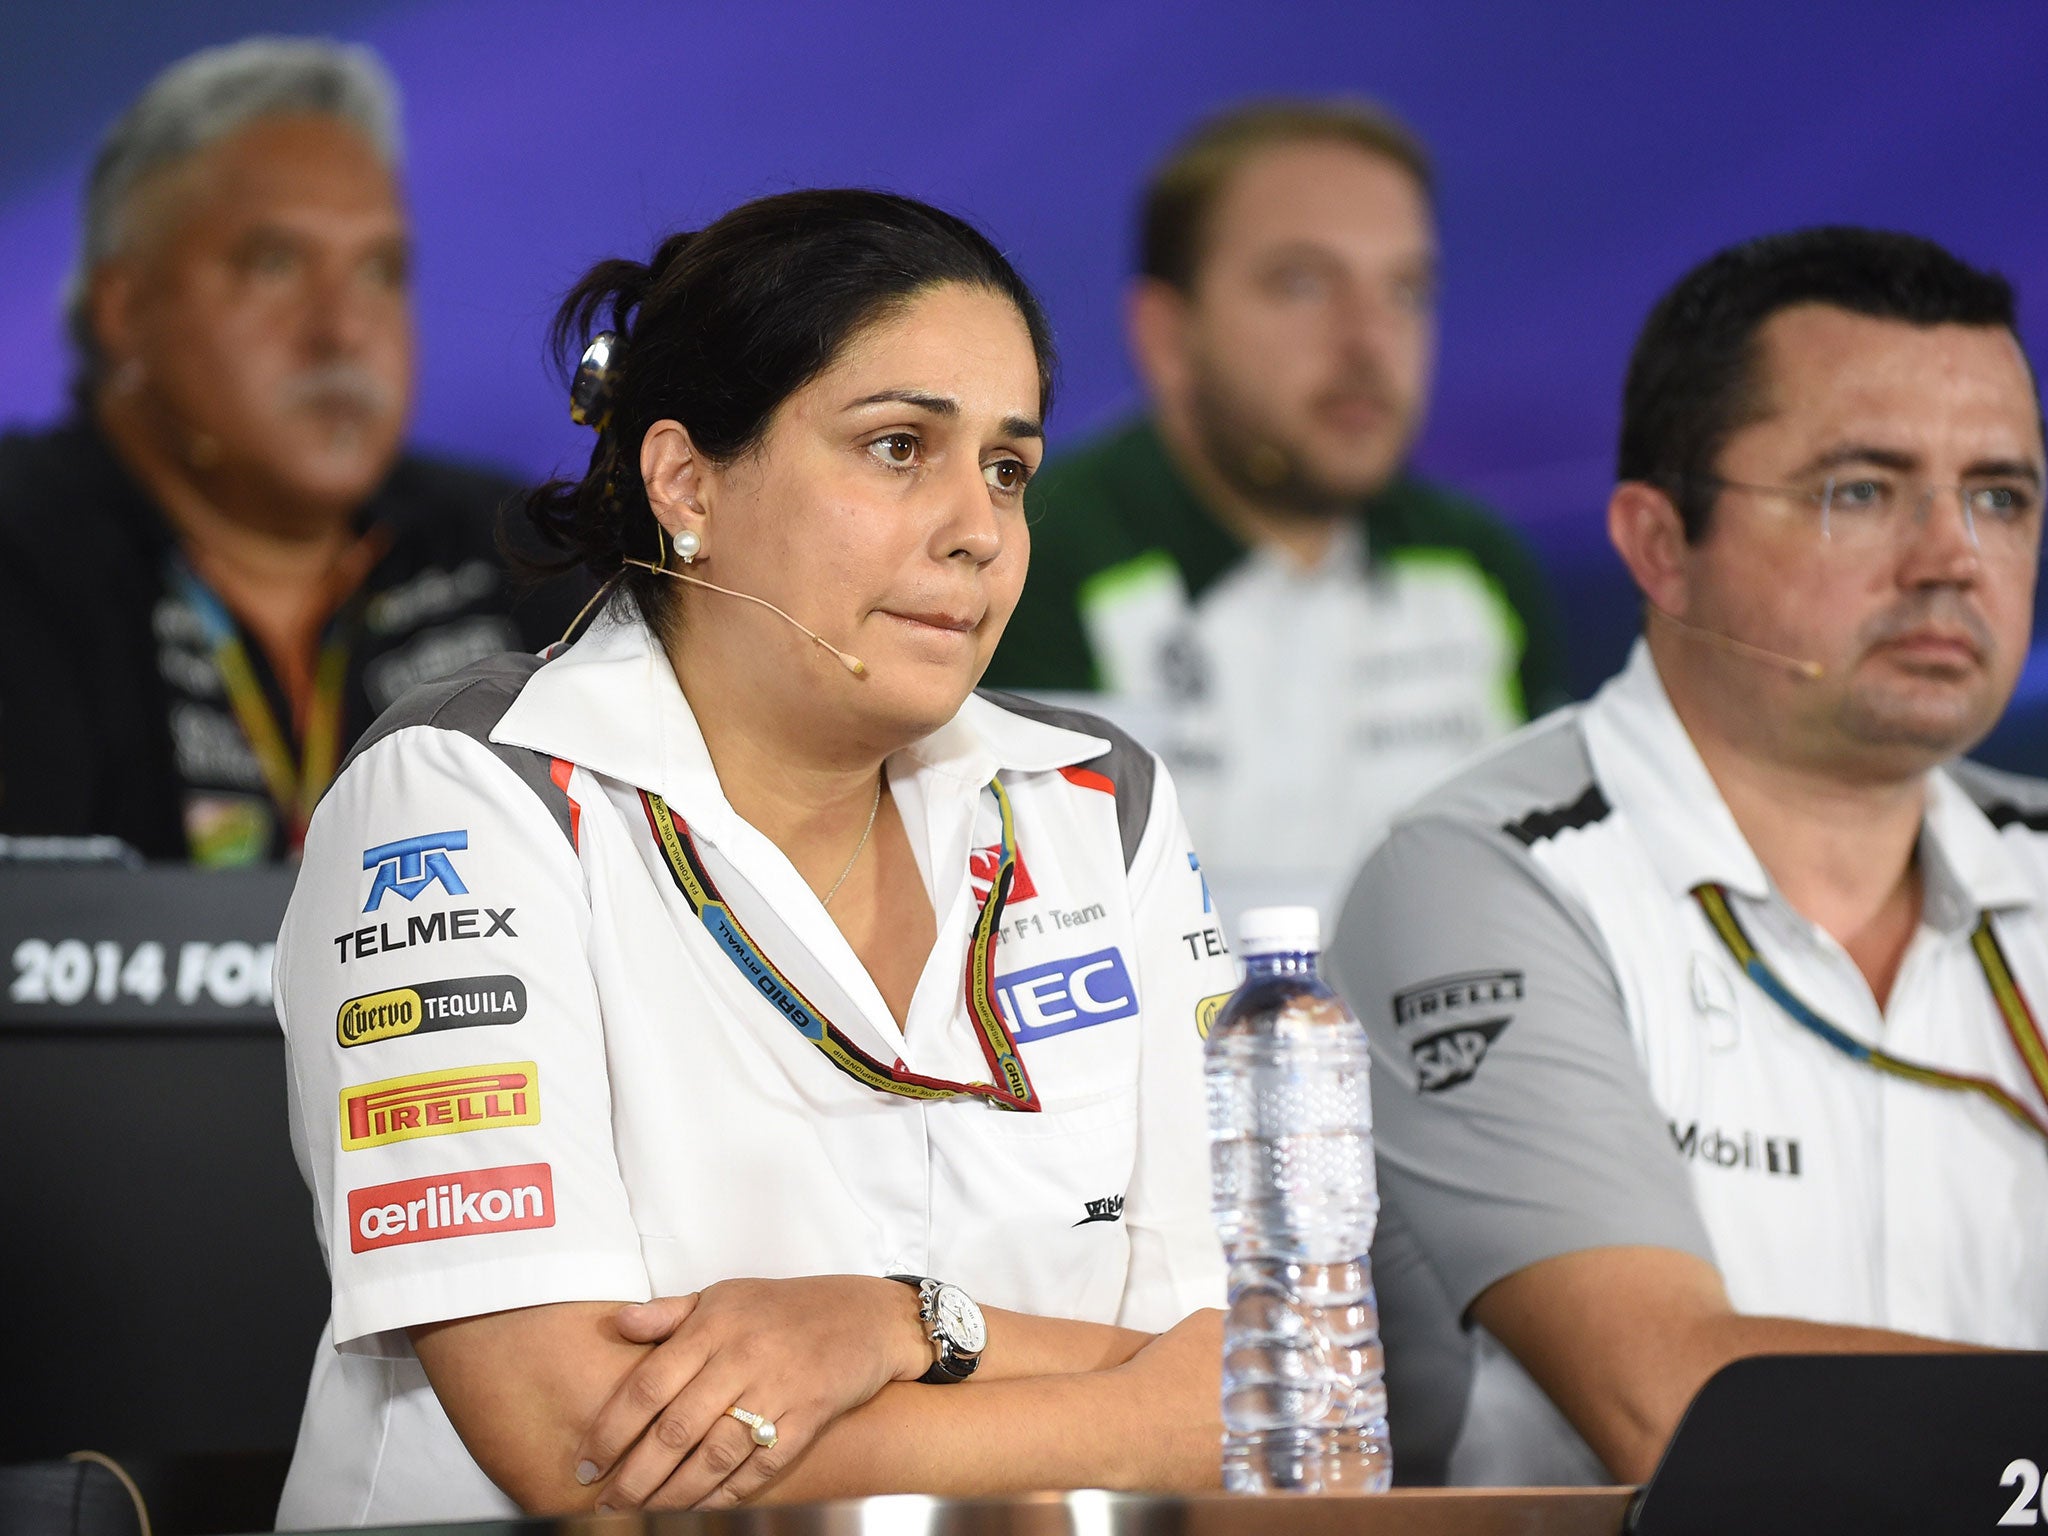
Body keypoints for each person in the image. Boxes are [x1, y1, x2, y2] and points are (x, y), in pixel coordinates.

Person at [272, 189, 1235, 1526]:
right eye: (900, 448)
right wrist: (1129, 1402)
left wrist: (901, 1327)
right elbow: (584, 1448)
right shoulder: (462, 791)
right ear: (687, 482)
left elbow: (1271, 1386)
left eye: (1008, 468)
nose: (980, 529)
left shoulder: (1098, 798)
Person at [1328, 227, 2048, 1486]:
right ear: (1658, 544)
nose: (1952, 559)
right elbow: (1680, 1408)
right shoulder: (1476, 880)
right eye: (1859, 490)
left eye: (1999, 495)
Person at [0, 38, 580, 866]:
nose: (343, 331)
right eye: (274, 264)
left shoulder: (522, 555)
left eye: (381, 270)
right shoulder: (20, 560)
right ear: (123, 312)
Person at [986, 99, 1566, 904]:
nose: (1369, 342)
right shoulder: (1032, 561)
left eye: (1405, 290)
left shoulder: (1480, 567)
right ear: (1167, 336)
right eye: (1302, 284)